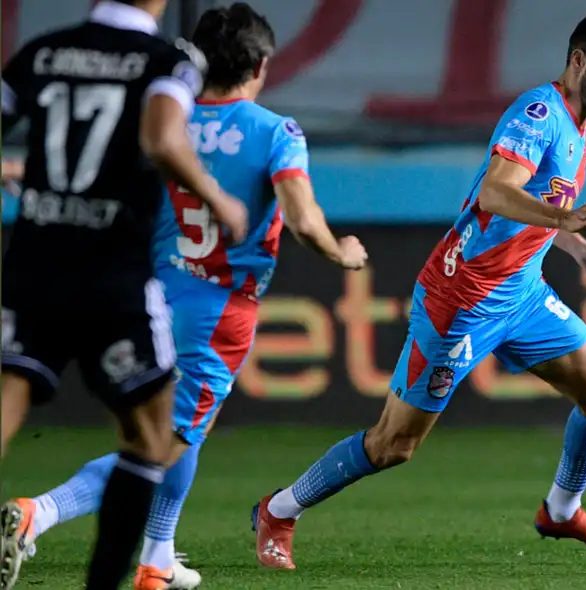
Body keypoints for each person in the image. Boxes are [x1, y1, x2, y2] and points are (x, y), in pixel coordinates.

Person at [251, 10, 586, 570]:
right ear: (578, 61)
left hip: (522, 293)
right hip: (461, 301)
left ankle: (561, 511)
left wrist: (582, 251)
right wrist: (570, 221)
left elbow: (533, 212)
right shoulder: (539, 115)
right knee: (394, 445)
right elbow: (495, 195)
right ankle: (279, 510)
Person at [1, 3, 369, 589]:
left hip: (149, 287)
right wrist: (341, 252)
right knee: (163, 444)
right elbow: (301, 218)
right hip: (219, 308)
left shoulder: (166, 111)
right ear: (261, 65)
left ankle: (157, 558)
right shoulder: (275, 131)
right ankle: (38, 513)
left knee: (182, 429)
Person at [0, 0, 249, 587]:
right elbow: (163, 139)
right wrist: (217, 198)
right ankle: (107, 579)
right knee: (151, 436)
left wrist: (21, 172)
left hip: (34, 261)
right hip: (112, 273)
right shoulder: (169, 59)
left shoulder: (43, 50)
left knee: (7, 405)